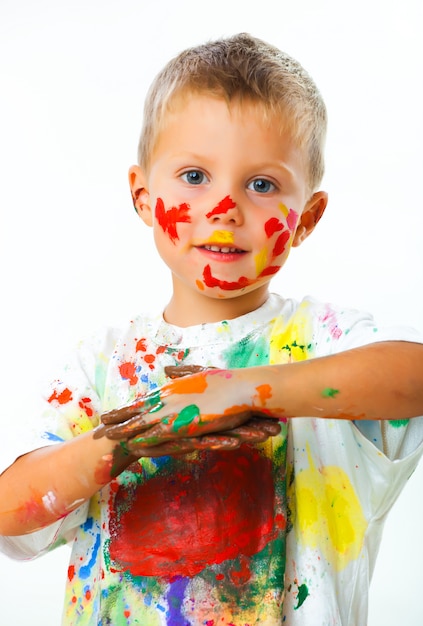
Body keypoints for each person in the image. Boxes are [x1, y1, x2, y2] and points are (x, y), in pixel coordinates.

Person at [0, 32, 422, 626]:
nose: (224, 206)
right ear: (143, 198)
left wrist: (244, 389)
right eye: (195, 176)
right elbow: (9, 509)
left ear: (306, 219)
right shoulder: (101, 365)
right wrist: (121, 442)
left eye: (261, 185)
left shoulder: (324, 340)